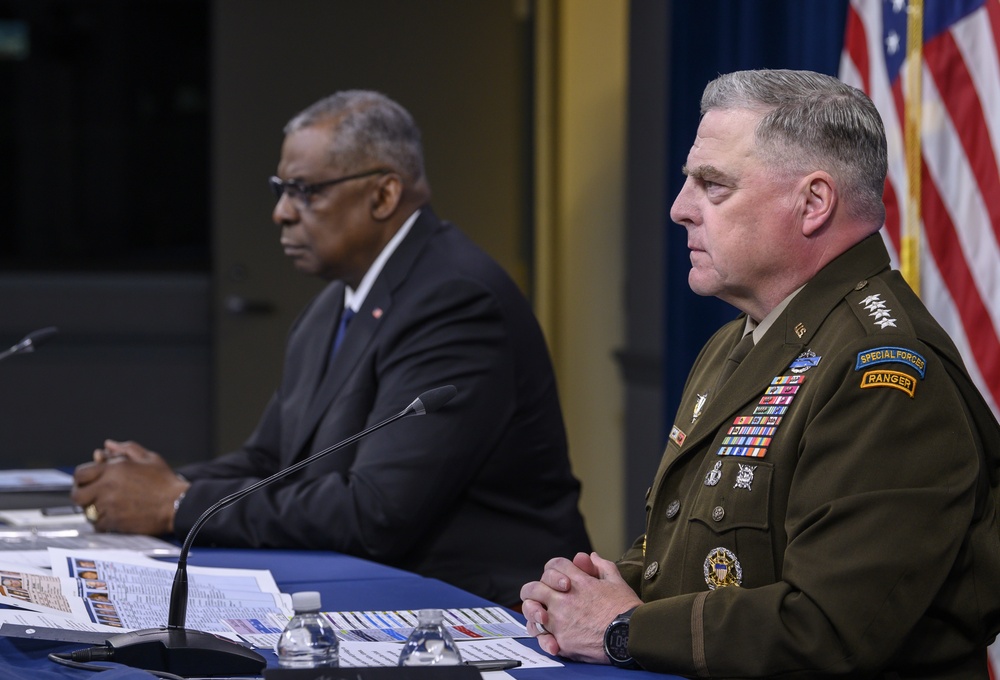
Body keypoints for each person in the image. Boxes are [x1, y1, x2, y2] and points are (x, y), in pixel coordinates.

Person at [520, 69, 1000, 678]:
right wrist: (595, 593)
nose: (679, 209)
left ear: (813, 203)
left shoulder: (882, 373)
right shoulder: (735, 343)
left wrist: (621, 628)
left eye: (712, 184)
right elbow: (706, 559)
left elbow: (826, 630)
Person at [71, 90, 591, 606]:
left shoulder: (454, 300)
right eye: (281, 189)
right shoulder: (333, 305)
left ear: (383, 195)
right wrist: (153, 483)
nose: (281, 213)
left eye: (304, 191)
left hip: (485, 611)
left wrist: (175, 503)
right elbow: (274, 459)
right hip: (379, 589)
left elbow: (376, 511)